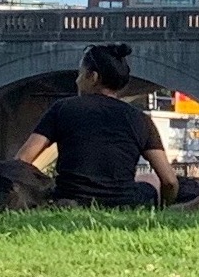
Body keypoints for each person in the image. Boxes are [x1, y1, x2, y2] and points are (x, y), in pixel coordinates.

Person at [13, 44, 179, 207]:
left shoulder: (63, 108)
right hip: (124, 202)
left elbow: (22, 160)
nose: (77, 81)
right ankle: (174, 208)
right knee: (149, 179)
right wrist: (164, 207)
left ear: (92, 77)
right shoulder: (141, 119)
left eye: (80, 74)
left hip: (70, 198)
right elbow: (169, 181)